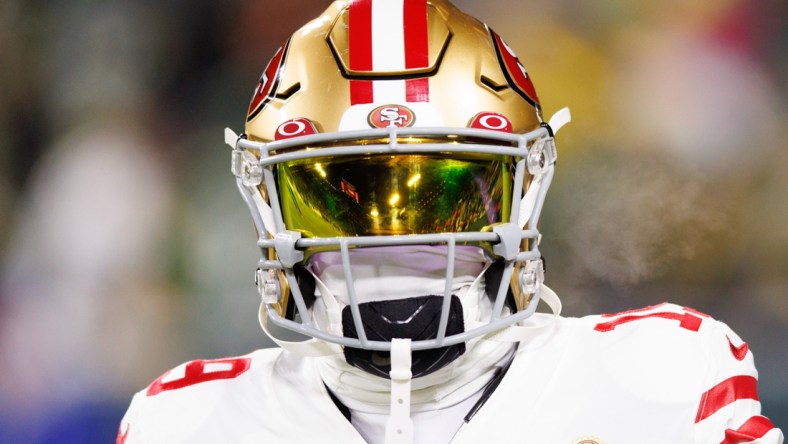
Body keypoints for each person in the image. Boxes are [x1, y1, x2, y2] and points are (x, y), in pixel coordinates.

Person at [118, 0, 784, 442]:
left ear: (528, 185)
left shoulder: (657, 380)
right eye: (343, 198)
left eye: (446, 192)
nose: (399, 238)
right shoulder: (189, 422)